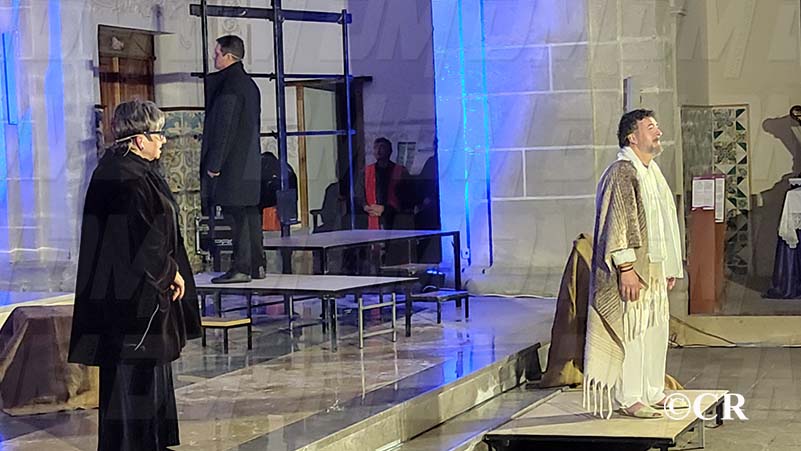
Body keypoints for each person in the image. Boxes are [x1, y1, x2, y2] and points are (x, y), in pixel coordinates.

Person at [68, 100, 202, 450]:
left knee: (147, 370)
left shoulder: (130, 170)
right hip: (128, 299)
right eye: (159, 134)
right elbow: (140, 238)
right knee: (132, 375)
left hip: (136, 295)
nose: (164, 141)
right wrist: (170, 272)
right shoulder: (124, 177)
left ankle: (151, 441)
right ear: (139, 139)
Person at [583, 109, 685, 419]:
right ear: (632, 137)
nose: (659, 132)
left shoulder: (651, 171)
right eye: (651, 127)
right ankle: (629, 396)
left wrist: (668, 265)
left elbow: (662, 221)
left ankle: (652, 390)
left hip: (654, 268)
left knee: (655, 329)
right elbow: (619, 222)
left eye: (657, 126)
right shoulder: (622, 171)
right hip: (633, 269)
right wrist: (626, 268)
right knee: (633, 331)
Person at [201, 35, 263, 283]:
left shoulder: (230, 85)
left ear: (228, 56)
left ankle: (241, 267)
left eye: (217, 53)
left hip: (233, 162)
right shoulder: (249, 84)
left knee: (236, 213)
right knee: (250, 212)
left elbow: (225, 127)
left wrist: (215, 164)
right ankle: (257, 264)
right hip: (249, 159)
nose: (214, 57)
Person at [362, 137, 410, 230]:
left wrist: (386, 209)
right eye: (376, 147)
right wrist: (365, 206)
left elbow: (406, 196)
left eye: (382, 147)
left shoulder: (400, 171)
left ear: (390, 151)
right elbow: (359, 193)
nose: (378, 150)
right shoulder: (367, 171)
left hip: (394, 218)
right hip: (371, 215)